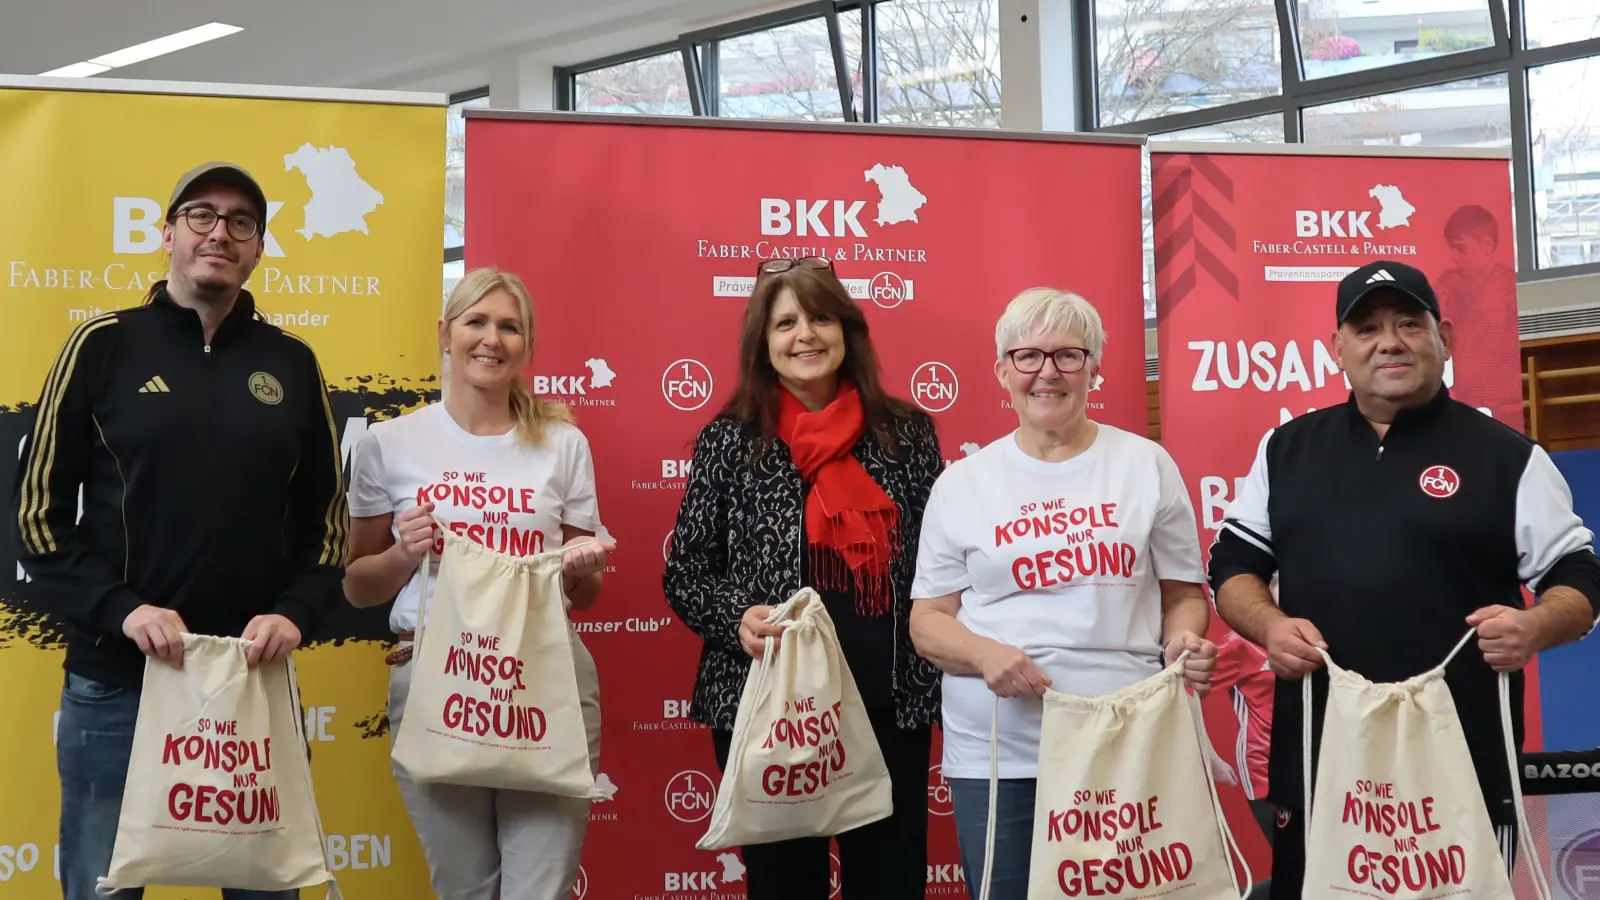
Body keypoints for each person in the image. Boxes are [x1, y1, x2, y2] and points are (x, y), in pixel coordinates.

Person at [1207, 259, 1600, 900]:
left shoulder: (1509, 458)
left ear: (1445, 338)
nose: (1388, 341)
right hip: (1320, 751)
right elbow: (1232, 566)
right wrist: (1269, 625)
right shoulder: (1286, 450)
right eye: (1366, 328)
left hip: (1462, 754)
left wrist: (1534, 626)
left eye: (1409, 324)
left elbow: (1580, 578)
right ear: (1337, 348)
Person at [12, 162, 348, 900]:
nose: (219, 232)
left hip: (250, 684)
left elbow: (327, 525)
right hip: (117, 682)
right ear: (167, 234)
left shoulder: (292, 363)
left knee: (266, 891)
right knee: (101, 888)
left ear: (258, 248)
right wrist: (122, 610)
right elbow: (37, 516)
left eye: (241, 221)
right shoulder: (101, 345)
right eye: (201, 215)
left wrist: (294, 614)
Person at [908, 287, 1218, 900]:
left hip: (1127, 740)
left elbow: (1184, 594)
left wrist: (1183, 640)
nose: (1047, 372)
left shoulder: (1146, 465)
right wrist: (985, 654)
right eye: (1027, 356)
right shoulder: (962, 484)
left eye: (1068, 355)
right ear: (1003, 372)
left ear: (1093, 369)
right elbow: (928, 621)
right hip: (1001, 756)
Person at [662, 257, 943, 900]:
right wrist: (737, 618)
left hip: (887, 704)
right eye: (785, 323)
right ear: (763, 342)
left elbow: (939, 566)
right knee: (783, 886)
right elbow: (686, 571)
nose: (805, 335)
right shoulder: (730, 439)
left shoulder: (906, 434)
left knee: (891, 883)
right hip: (769, 708)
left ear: (847, 329)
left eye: (820, 317)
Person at [343, 267, 614, 900]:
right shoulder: (388, 443)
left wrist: (581, 569)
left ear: (527, 344)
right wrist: (404, 553)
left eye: (509, 327)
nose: (492, 338)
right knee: (464, 888)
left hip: (545, 675)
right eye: (476, 322)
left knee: (539, 889)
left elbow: (585, 592)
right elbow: (358, 586)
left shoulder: (563, 444)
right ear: (446, 333)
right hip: (435, 676)